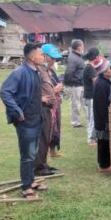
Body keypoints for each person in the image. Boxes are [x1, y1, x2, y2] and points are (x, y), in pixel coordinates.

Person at [0, 43, 48, 200]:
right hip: (25, 122)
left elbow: (27, 92)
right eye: (41, 54)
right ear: (32, 57)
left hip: (36, 118)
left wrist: (40, 99)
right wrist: (17, 111)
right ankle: (26, 187)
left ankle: (30, 180)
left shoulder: (36, 71)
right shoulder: (19, 72)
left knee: (32, 152)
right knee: (27, 154)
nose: (43, 57)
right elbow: (5, 92)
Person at [34, 43, 64, 176]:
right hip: (41, 108)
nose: (54, 61)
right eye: (52, 58)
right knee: (41, 137)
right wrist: (54, 90)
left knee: (47, 136)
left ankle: (43, 163)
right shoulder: (37, 71)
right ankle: (39, 167)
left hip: (50, 108)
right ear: (45, 57)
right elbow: (37, 90)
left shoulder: (47, 71)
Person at [92, 59, 111, 173]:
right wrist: (106, 121)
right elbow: (101, 105)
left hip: (103, 118)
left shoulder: (105, 81)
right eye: (109, 68)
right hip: (103, 118)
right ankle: (104, 166)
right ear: (104, 71)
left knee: (105, 141)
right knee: (103, 142)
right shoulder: (101, 84)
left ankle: (105, 164)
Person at [63, 39, 85, 128]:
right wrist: (68, 83)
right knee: (76, 104)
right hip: (75, 85)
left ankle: (88, 120)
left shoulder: (78, 56)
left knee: (84, 104)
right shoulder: (73, 58)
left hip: (80, 84)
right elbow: (68, 72)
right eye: (83, 45)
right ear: (79, 47)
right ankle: (75, 123)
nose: (84, 47)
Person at [83, 48, 101, 146]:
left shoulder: (90, 67)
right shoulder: (90, 68)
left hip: (90, 96)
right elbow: (96, 81)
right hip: (90, 96)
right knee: (92, 118)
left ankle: (94, 137)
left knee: (92, 117)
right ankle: (91, 139)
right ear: (96, 57)